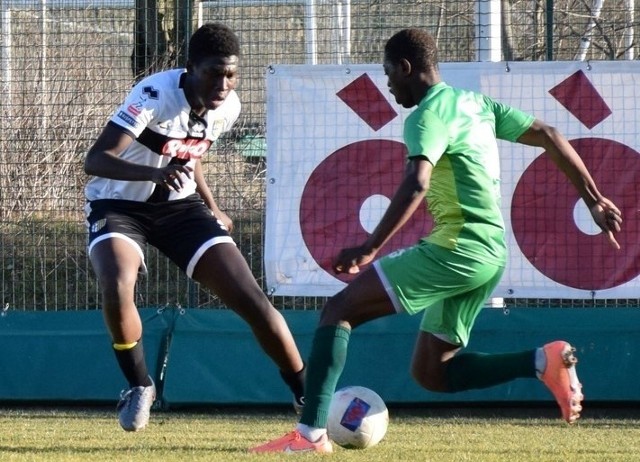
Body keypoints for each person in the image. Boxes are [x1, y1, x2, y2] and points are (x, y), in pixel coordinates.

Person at [250, 28, 622, 454]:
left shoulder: (426, 116)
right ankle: (543, 360)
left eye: (389, 74)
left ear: (406, 68)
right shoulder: (474, 103)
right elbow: (551, 135)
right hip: (490, 254)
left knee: (339, 310)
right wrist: (593, 201)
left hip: (458, 247)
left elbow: (417, 182)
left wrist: (370, 247)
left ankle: (310, 435)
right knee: (433, 373)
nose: (388, 85)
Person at [84, 23, 306, 432]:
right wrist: (153, 174)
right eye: (214, 73)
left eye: (231, 74)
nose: (224, 83)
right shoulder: (153, 95)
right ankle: (139, 385)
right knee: (117, 284)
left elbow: (191, 154)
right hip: (118, 204)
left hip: (179, 208)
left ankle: (306, 395)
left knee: (252, 299)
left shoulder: (230, 107)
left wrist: (213, 206)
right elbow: (95, 160)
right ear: (190, 68)